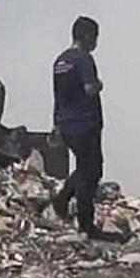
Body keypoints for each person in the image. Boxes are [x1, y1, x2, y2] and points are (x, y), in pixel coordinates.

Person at [49, 16, 111, 240]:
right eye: (95, 37)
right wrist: (99, 84)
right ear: (86, 36)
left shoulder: (60, 62)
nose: (96, 42)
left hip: (66, 123)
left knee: (86, 167)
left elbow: (57, 96)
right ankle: (85, 223)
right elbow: (89, 88)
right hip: (85, 123)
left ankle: (63, 198)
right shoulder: (84, 59)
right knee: (91, 171)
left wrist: (56, 124)